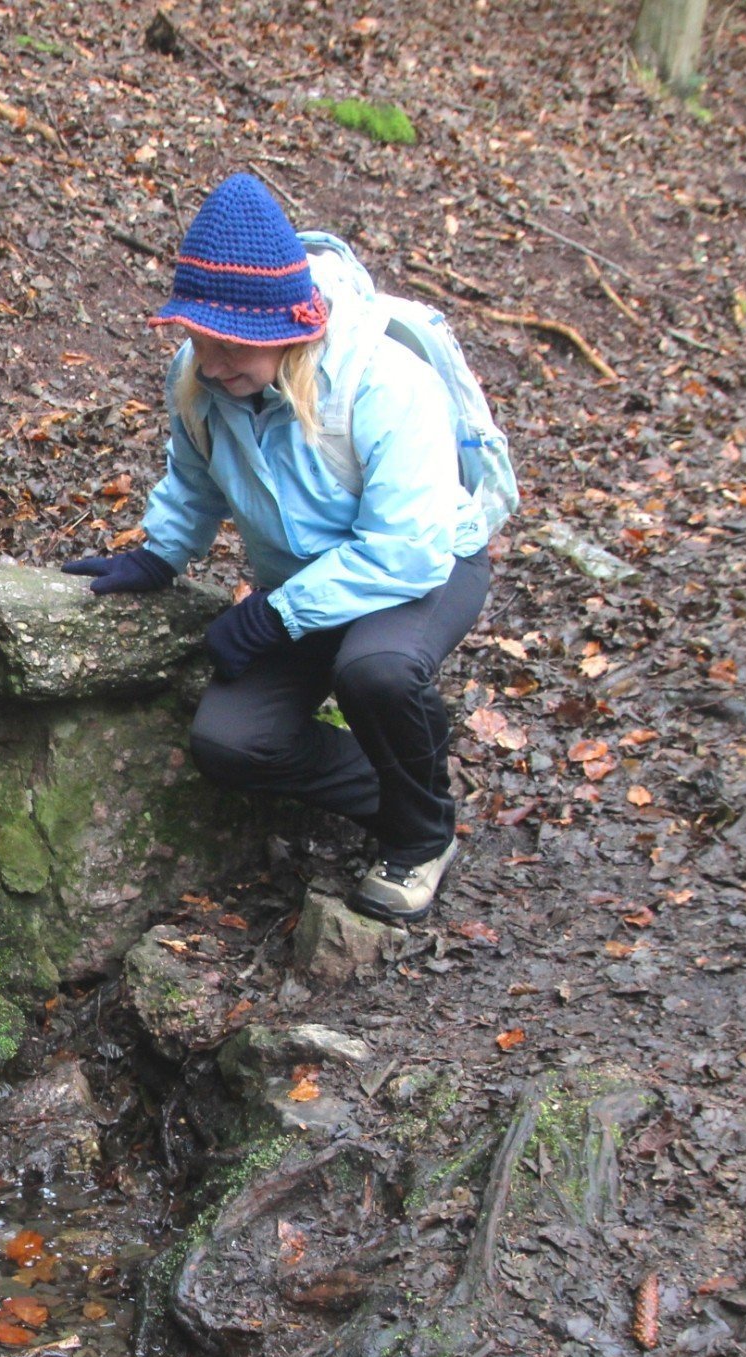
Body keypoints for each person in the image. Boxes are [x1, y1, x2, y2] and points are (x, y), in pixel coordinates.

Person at [63, 173, 495, 924]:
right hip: (306, 586)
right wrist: (159, 554)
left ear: (290, 330)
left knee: (376, 670)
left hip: (423, 566)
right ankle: (404, 793)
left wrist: (272, 618)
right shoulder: (201, 379)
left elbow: (405, 549)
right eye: (202, 341)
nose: (216, 363)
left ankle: (423, 839)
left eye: (236, 347)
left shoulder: (385, 384)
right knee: (232, 744)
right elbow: (194, 476)